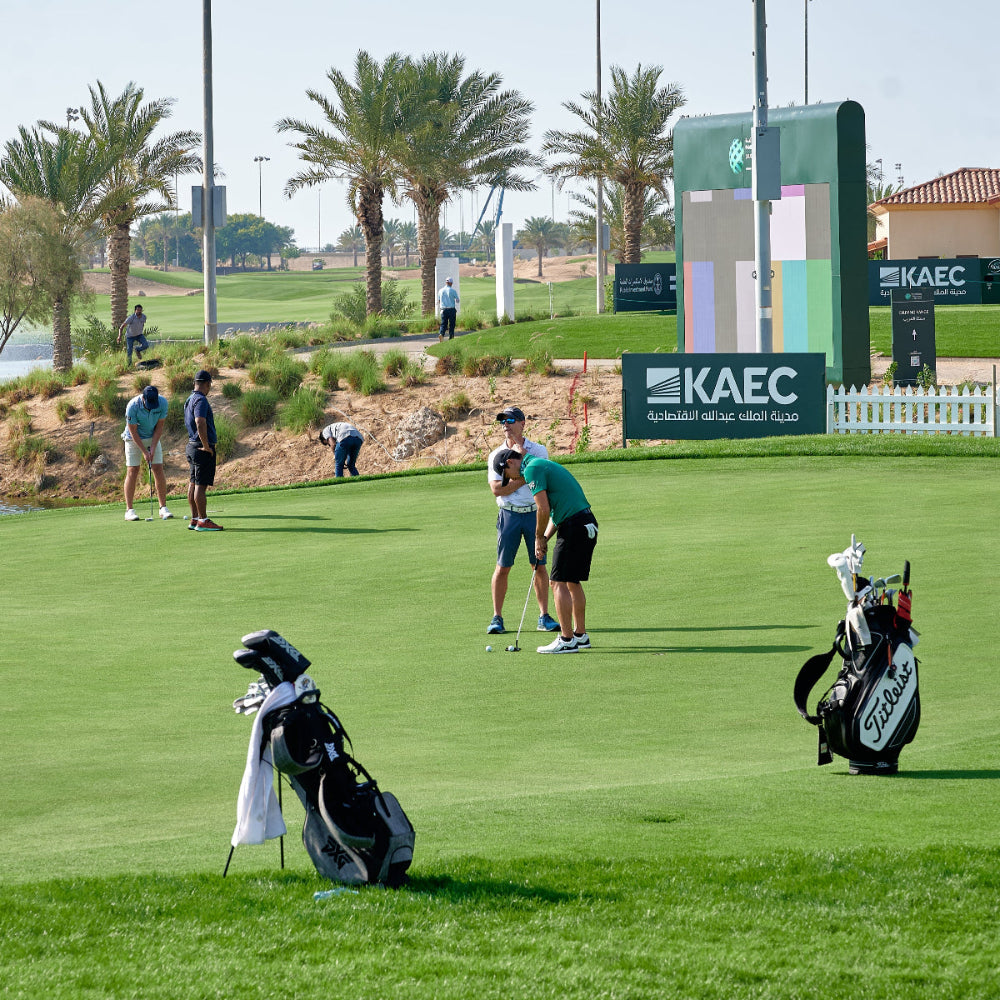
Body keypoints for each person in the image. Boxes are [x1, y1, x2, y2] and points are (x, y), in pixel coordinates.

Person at [493, 448, 598, 654]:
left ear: (510, 463)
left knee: (556, 582)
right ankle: (580, 635)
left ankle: (567, 640)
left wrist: (538, 536)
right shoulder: (539, 465)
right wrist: (542, 540)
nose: (511, 479)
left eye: (507, 474)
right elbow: (556, 512)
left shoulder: (531, 469)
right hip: (587, 524)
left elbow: (543, 509)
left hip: (573, 527)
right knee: (572, 582)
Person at [486, 406, 558, 636]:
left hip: (533, 513)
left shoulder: (538, 451)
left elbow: (542, 479)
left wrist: (519, 474)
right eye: (502, 421)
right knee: (503, 566)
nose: (505, 425)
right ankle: (497, 617)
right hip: (508, 515)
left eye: (510, 420)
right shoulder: (496, 455)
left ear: (522, 423)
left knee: (538, 565)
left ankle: (544, 617)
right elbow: (497, 490)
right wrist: (525, 477)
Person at [121, 384, 173, 521]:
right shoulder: (132, 406)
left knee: (157, 467)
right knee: (133, 470)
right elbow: (132, 431)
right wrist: (144, 452)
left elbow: (159, 427)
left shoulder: (162, 403)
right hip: (132, 439)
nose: (151, 406)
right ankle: (129, 510)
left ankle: (163, 508)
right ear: (143, 398)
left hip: (152, 437)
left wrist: (153, 447)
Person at [183, 370, 223, 531]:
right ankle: (203, 521)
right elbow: (200, 422)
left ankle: (195, 519)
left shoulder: (189, 399)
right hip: (201, 447)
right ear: (207, 384)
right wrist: (206, 446)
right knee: (200, 485)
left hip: (191, 445)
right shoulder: (201, 400)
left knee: (193, 483)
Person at [438, 276, 459, 342]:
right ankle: (451, 336)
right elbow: (457, 300)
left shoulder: (440, 291)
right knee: (452, 324)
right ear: (451, 283)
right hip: (451, 309)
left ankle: (441, 334)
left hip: (443, 309)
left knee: (443, 323)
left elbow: (439, 301)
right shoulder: (453, 291)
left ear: (446, 282)